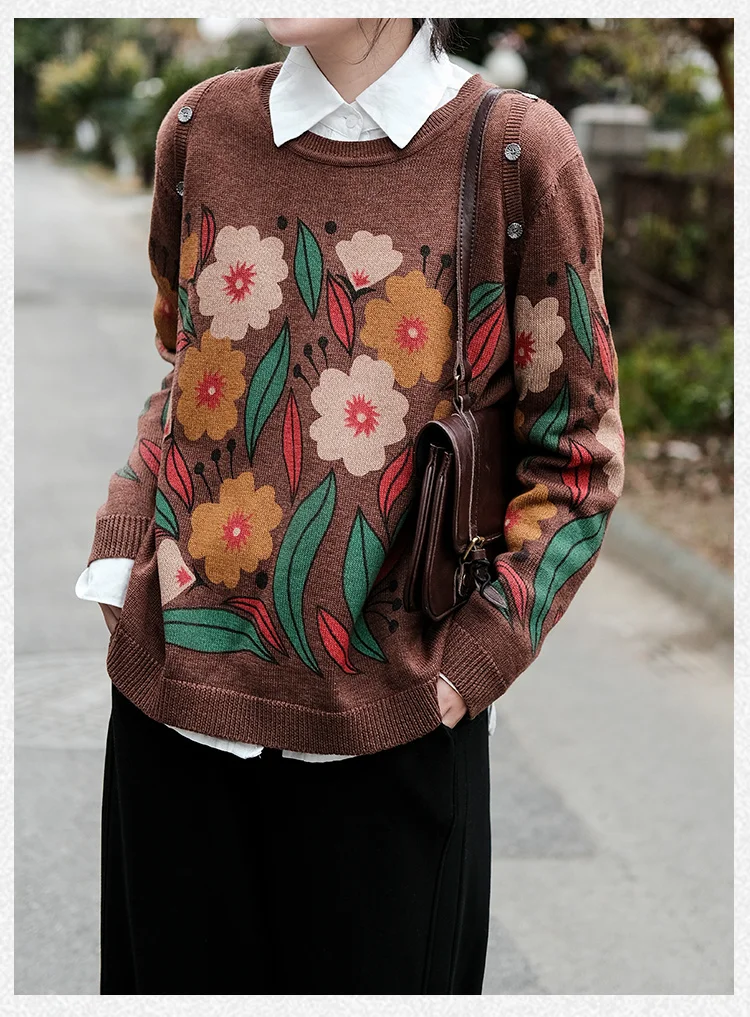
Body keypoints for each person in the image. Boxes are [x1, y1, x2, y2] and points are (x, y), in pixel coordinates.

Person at [75, 16, 625, 994]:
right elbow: (187, 368)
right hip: (172, 717)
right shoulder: (200, 128)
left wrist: (466, 668)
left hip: (395, 737)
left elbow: (577, 455)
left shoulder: (515, 154)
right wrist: (122, 553)